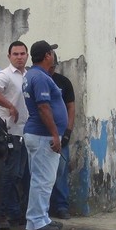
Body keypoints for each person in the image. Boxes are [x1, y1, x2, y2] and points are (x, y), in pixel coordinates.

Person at [22, 41, 67, 230]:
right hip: (43, 136)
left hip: (38, 135)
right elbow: (43, 107)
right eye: (52, 53)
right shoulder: (39, 77)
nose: (53, 57)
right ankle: (36, 221)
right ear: (47, 55)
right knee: (43, 180)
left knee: (41, 179)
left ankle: (42, 216)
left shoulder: (32, 75)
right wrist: (55, 134)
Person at [0, 41, 29, 229]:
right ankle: (2, 213)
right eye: (16, 54)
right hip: (9, 132)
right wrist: (9, 106)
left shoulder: (28, 76)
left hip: (24, 131)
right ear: (9, 56)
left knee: (19, 175)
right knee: (9, 174)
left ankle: (15, 213)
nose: (19, 57)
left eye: (22, 54)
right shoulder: (4, 75)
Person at [49, 51, 75, 219]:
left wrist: (68, 132)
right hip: (39, 134)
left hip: (60, 134)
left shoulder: (63, 82)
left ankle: (61, 206)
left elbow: (71, 107)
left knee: (60, 171)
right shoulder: (33, 79)